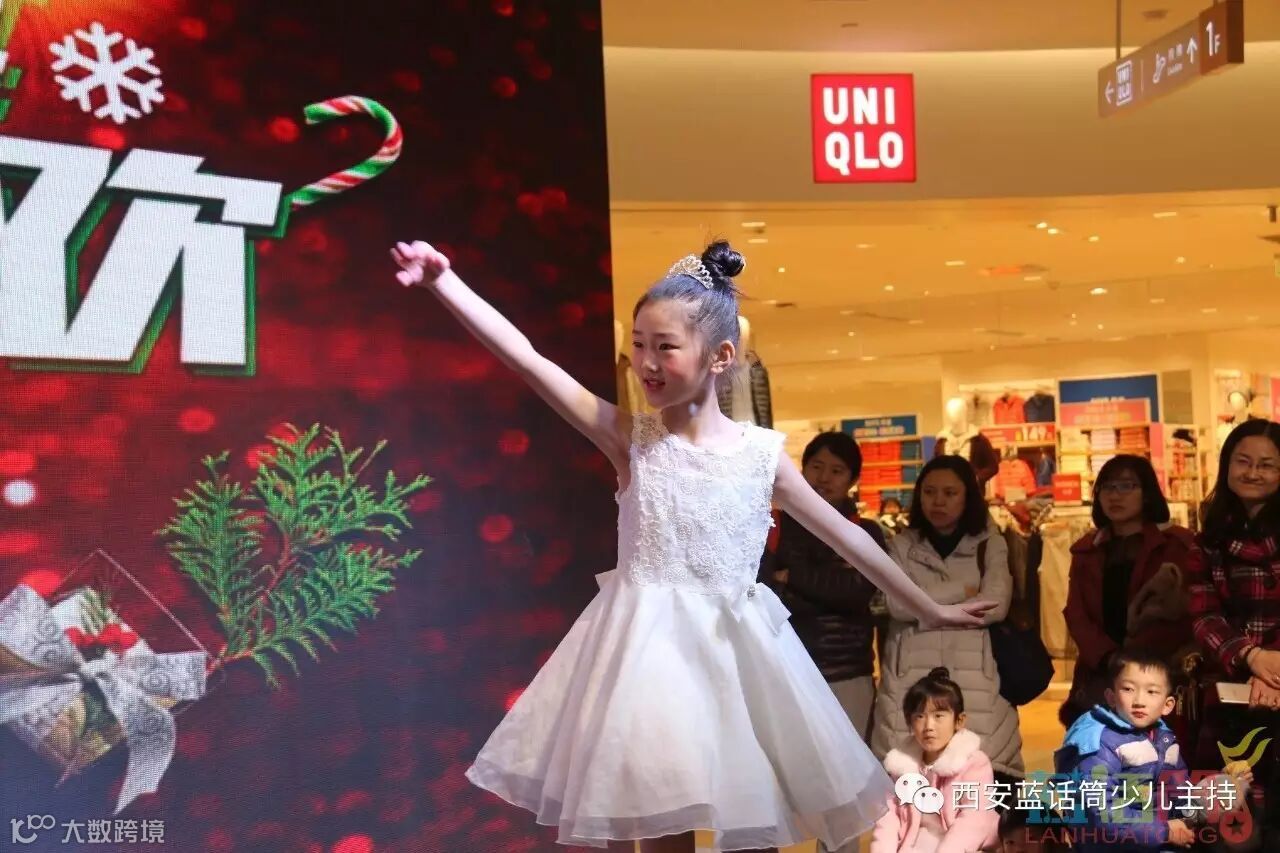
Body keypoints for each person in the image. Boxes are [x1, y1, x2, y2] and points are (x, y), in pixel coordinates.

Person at [391, 239, 994, 852]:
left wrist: (928, 607)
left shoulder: (761, 457)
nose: (645, 363)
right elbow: (528, 360)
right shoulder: (631, 438)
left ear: (720, 356)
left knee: (754, 825)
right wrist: (445, 282)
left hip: (740, 661)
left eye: (665, 347)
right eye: (638, 345)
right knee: (659, 828)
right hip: (645, 664)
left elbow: (849, 538)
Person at [871, 455, 1024, 781]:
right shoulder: (900, 545)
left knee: (975, 787)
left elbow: (994, 604)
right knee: (910, 792)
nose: (938, 501)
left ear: (968, 497)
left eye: (950, 493)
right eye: (929, 492)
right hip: (909, 675)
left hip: (976, 679)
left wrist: (922, 603)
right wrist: (966, 590)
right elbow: (896, 604)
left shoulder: (990, 544)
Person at [760, 431, 886, 746]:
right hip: (789, 670)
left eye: (836, 470)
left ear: (852, 480)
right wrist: (826, 590)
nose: (824, 478)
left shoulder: (866, 532)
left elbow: (855, 592)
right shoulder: (773, 526)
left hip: (847, 672)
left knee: (853, 765)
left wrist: (792, 578)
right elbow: (763, 591)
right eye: (816, 467)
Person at [1187, 418, 1280, 843]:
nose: (1253, 472)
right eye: (1243, 461)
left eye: (1267, 464)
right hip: (1231, 693)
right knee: (1234, 825)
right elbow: (1203, 614)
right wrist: (1253, 658)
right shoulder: (1208, 540)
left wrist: (1274, 668)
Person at [1061, 455, 1196, 730]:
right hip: (1100, 674)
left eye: (1126, 486)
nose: (1115, 496)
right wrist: (1108, 657)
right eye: (1107, 487)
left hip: (1160, 672)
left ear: (1147, 493)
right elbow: (1076, 613)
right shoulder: (1088, 550)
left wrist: (1137, 661)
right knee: (1097, 748)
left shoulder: (1176, 546)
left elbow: (1186, 612)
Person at [1053, 649, 1197, 852]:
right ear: (1111, 697)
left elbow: (1179, 789)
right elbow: (1103, 812)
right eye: (1128, 689)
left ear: (1168, 705)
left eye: (1151, 692)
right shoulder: (1098, 741)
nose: (1139, 701)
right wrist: (1165, 831)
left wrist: (1195, 810)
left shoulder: (1163, 737)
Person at [870, 667, 1000, 853]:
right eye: (919, 716)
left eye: (939, 716)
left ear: (959, 721)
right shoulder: (901, 767)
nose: (929, 726)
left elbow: (974, 820)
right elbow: (888, 820)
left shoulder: (974, 763)